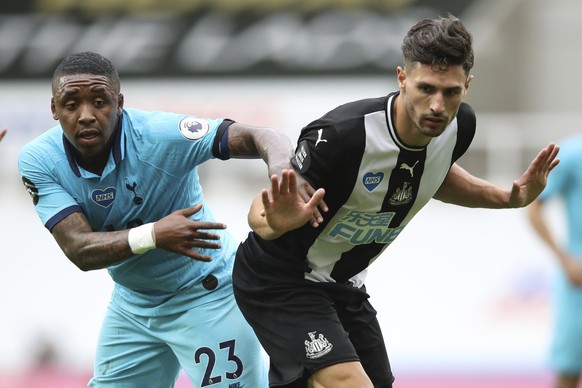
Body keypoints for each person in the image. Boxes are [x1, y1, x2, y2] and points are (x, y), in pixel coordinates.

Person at [231, 14, 560, 388]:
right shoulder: (342, 135)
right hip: (278, 278)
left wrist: (507, 198)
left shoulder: (460, 127)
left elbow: (434, 176)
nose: (438, 105)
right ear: (402, 79)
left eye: (451, 92)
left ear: (467, 86)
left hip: (343, 283)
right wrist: (277, 220)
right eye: (426, 88)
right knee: (347, 381)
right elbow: (262, 214)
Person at [17, 51, 298, 387]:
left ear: (119, 103)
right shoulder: (39, 160)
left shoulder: (160, 135)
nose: (86, 115)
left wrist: (282, 169)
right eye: (71, 104)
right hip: (134, 305)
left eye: (99, 102)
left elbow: (263, 135)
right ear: (54, 109)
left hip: (206, 294)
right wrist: (154, 234)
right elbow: (79, 248)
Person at [528, 135, 582, 388]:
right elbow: (534, 207)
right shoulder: (573, 154)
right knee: (569, 368)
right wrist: (564, 259)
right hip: (578, 282)